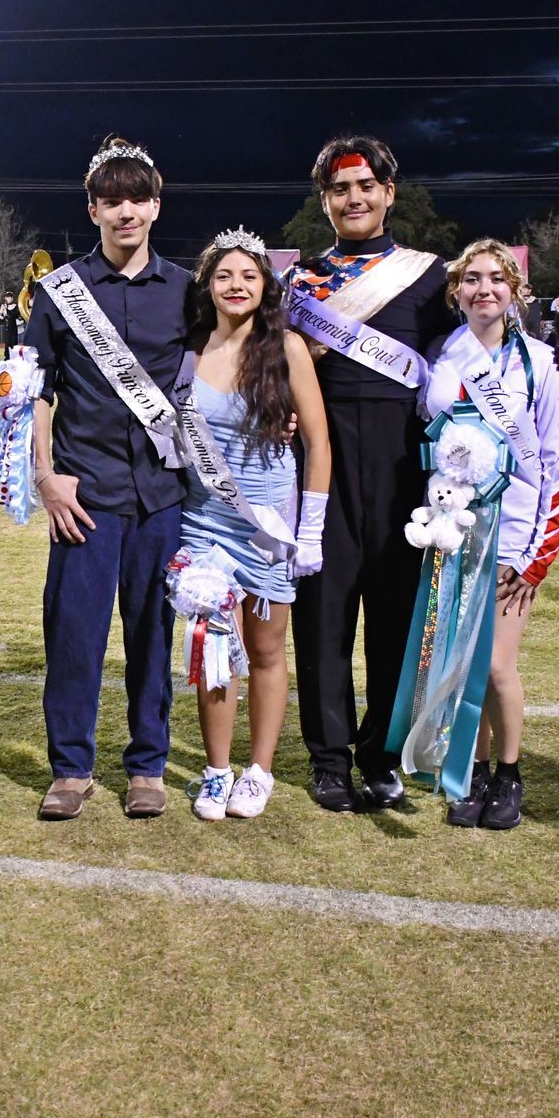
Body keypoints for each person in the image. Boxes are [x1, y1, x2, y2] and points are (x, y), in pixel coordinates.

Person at [283, 134, 458, 812]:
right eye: (338, 189)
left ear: (389, 191)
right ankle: (328, 758)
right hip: (320, 467)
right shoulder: (298, 283)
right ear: (324, 200)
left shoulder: (430, 274)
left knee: (393, 619)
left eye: (365, 186)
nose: (353, 199)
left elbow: (459, 367)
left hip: (401, 468)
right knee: (323, 617)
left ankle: (381, 753)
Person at [24, 136, 190, 820]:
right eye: (111, 199)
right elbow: (34, 390)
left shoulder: (187, 288)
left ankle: (147, 766)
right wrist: (45, 475)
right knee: (74, 636)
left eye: (137, 198)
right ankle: (71, 768)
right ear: (92, 209)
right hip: (83, 496)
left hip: (163, 494)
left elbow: (216, 380)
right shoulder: (61, 292)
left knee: (154, 634)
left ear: (156, 204)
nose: (126, 211)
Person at [416, 239, 559, 829]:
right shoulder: (439, 359)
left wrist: (537, 558)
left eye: (497, 279)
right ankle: (473, 773)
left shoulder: (543, 363)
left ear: (515, 291)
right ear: (457, 292)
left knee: (496, 666)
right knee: (460, 662)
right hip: (453, 533)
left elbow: (557, 464)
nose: (485, 289)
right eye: (473, 279)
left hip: (514, 539)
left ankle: (509, 773)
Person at [178, 229, 330, 821]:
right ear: (207, 286)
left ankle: (258, 770)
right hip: (204, 521)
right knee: (215, 646)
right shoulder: (188, 348)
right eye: (223, 276)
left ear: (265, 284)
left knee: (266, 648)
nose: (235, 286)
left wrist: (310, 529)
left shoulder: (285, 347)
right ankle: (216, 771)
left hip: (267, 520)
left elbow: (318, 444)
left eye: (248, 276)